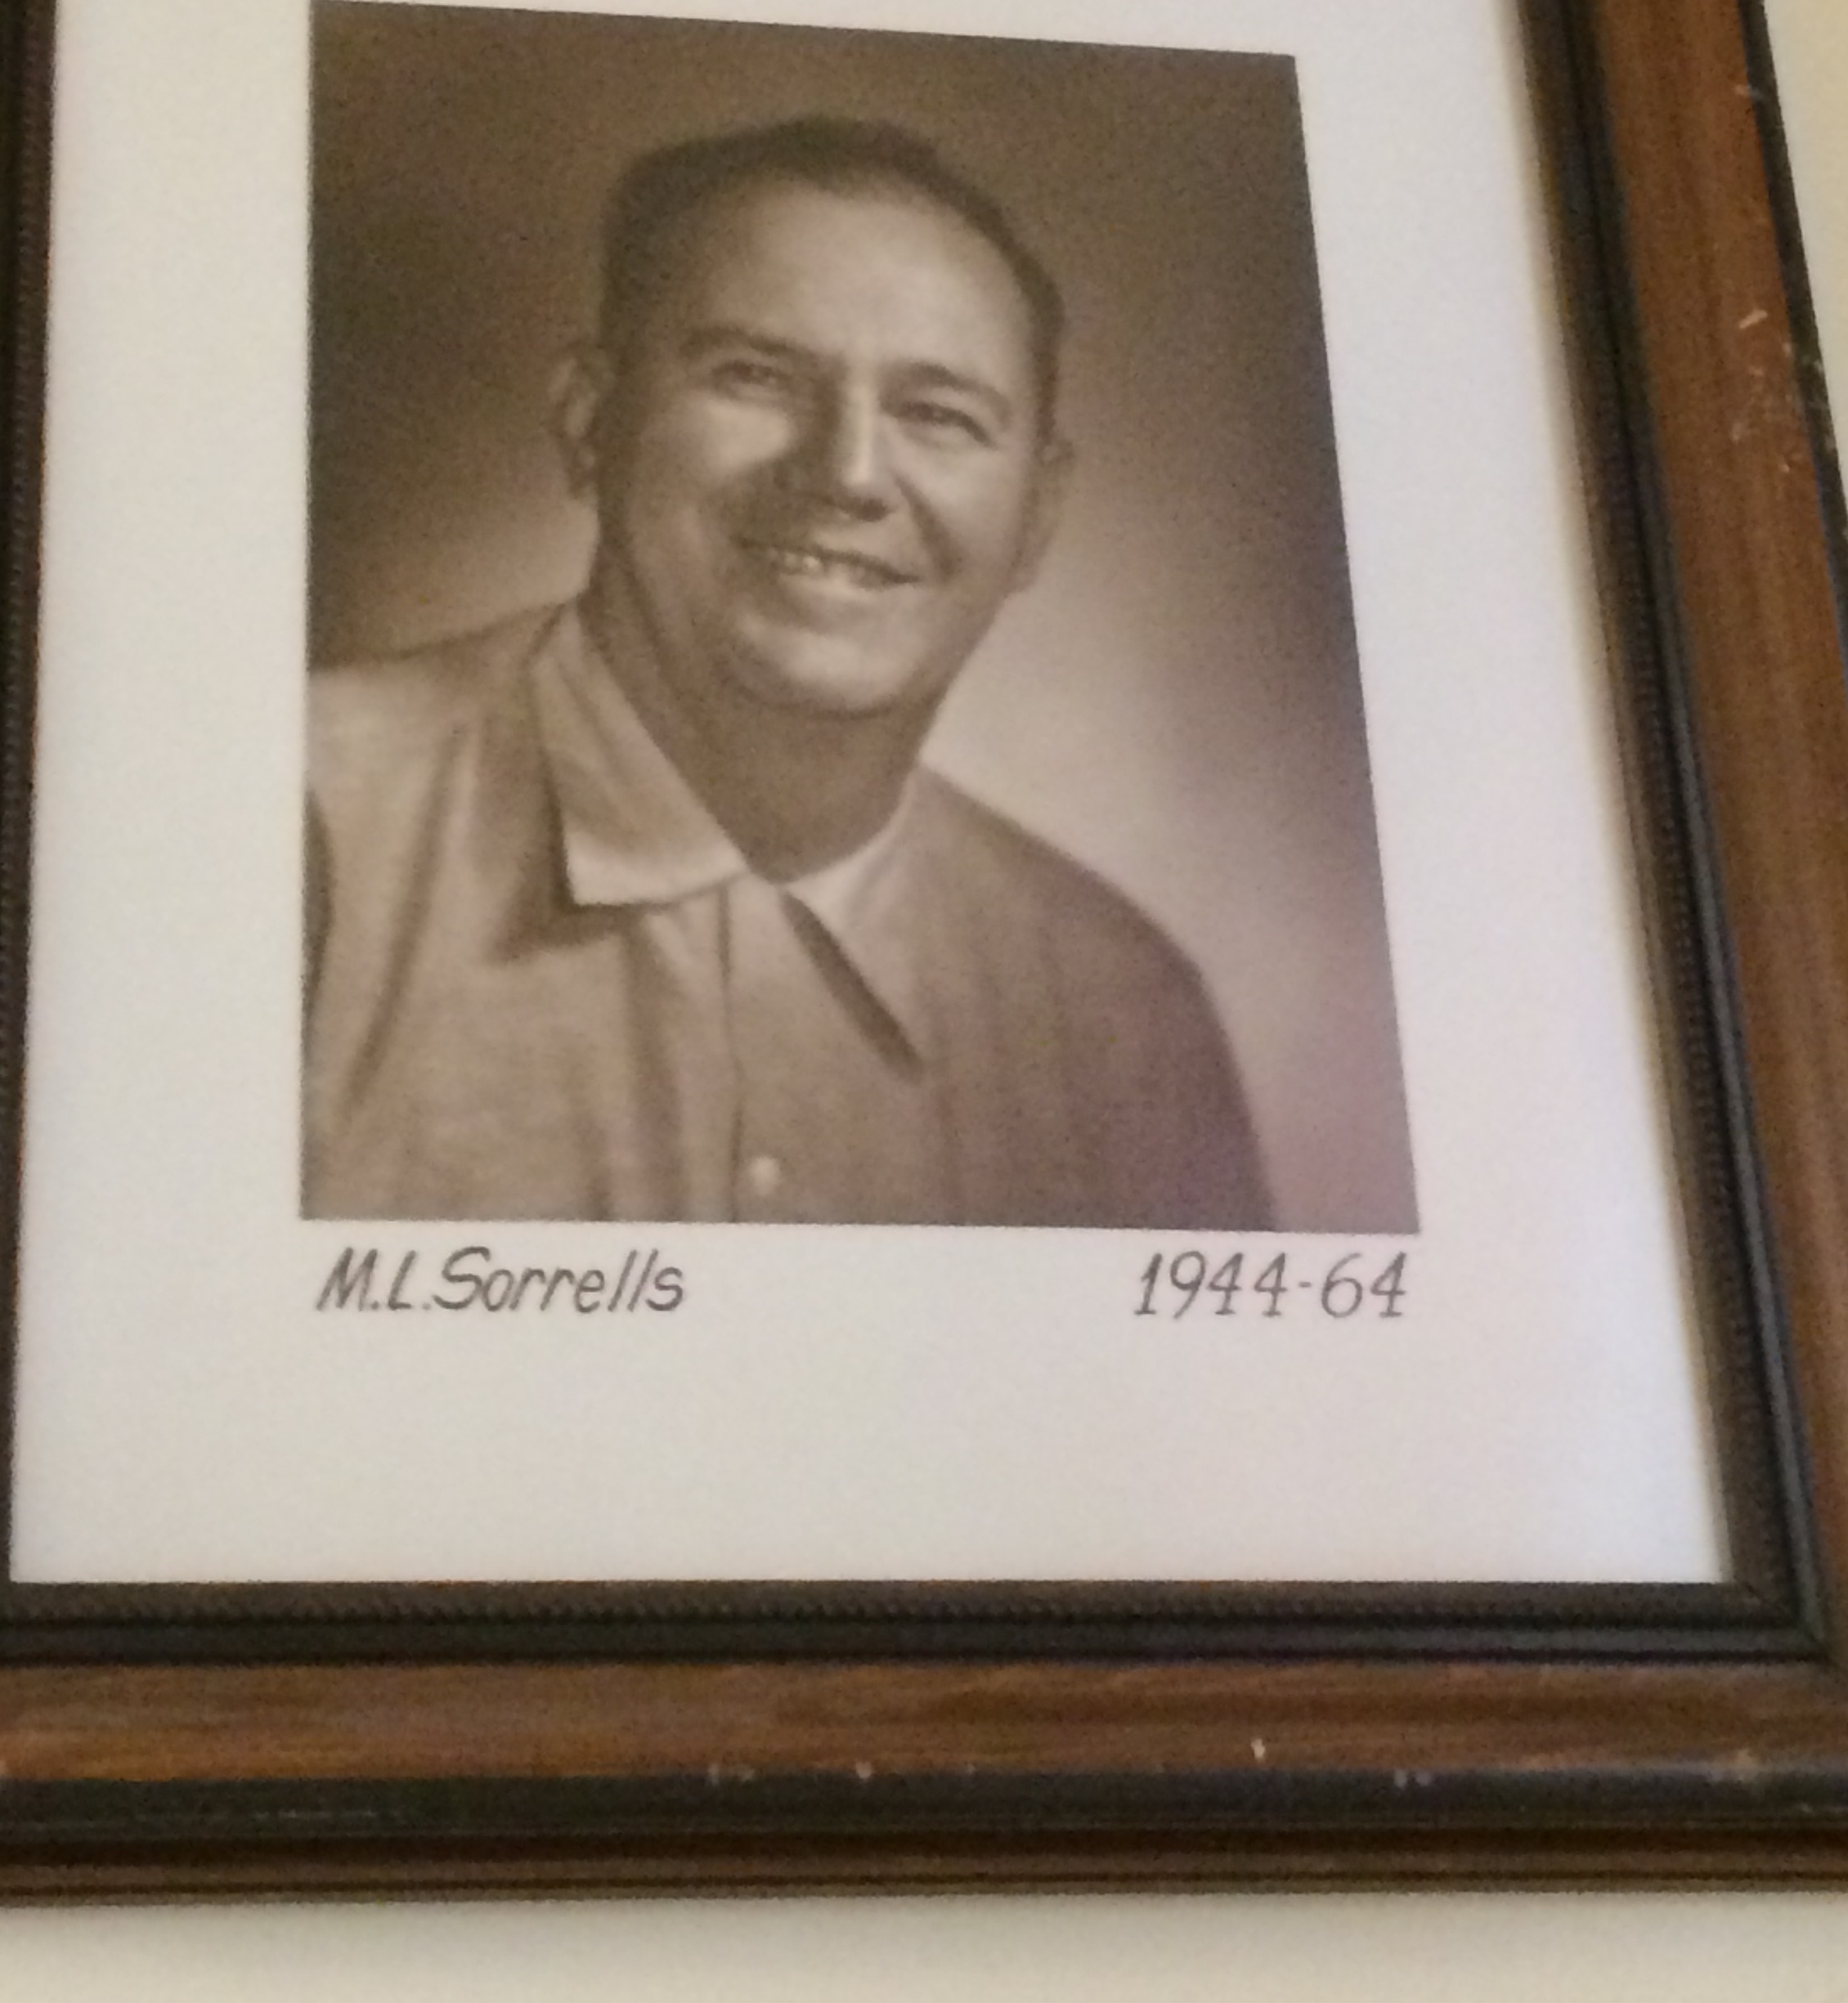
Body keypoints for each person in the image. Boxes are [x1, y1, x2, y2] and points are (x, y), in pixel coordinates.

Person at [304, 115, 1267, 1226]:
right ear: (588, 422)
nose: (849, 473)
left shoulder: (1124, 1012)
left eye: (939, 415)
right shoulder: (293, 831)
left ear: (1037, 519)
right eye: (756, 376)